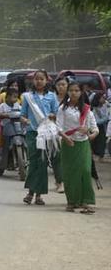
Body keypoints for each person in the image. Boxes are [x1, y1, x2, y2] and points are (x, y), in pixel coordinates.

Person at [57, 81, 99, 213]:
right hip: (68, 144)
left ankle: (87, 201)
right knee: (70, 173)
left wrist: (89, 133)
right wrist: (65, 138)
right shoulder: (63, 109)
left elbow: (95, 129)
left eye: (77, 90)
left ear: (81, 92)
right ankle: (72, 202)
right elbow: (58, 127)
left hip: (83, 145)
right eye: (71, 90)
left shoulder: (86, 109)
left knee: (86, 171)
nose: (74, 93)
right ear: (68, 92)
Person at [21, 69, 60, 206]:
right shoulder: (27, 97)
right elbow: (23, 114)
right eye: (36, 78)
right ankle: (31, 192)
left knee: (43, 163)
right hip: (33, 133)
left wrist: (51, 117)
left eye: (41, 78)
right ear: (33, 80)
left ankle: (37, 195)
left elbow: (57, 114)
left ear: (46, 80)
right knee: (34, 161)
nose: (39, 81)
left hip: (47, 133)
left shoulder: (52, 97)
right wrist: (25, 120)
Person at [51, 75, 69, 193]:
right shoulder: (52, 98)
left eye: (64, 85)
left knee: (68, 158)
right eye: (59, 85)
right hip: (54, 131)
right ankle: (59, 182)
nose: (61, 87)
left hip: (70, 132)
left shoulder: (72, 98)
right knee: (56, 157)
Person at [91, 92, 109, 162]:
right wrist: (106, 118)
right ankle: (98, 156)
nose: (104, 99)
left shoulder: (106, 105)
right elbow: (96, 121)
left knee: (102, 142)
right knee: (97, 142)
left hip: (104, 127)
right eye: (102, 98)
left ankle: (101, 156)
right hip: (97, 127)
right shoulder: (95, 109)